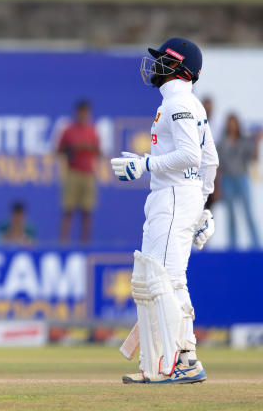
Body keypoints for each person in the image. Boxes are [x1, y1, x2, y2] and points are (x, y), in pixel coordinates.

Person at [110, 37, 219, 384]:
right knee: (171, 280)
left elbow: (191, 156)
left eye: (162, 60)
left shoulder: (179, 104)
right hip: (178, 197)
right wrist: (201, 207)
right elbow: (210, 161)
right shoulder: (187, 104)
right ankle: (185, 359)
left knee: (161, 282)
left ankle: (167, 365)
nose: (155, 66)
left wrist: (145, 164)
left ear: (179, 66)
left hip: (172, 196)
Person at [57, 99, 101, 244]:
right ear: (77, 113)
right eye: (81, 112)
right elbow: (59, 151)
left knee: (87, 211)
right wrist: (74, 148)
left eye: (86, 112)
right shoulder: (69, 131)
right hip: (72, 173)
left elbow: (100, 153)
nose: (83, 114)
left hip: (88, 174)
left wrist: (88, 148)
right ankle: (64, 243)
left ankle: (85, 244)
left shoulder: (92, 131)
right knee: (68, 209)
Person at [216, 113, 261, 248]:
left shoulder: (244, 141)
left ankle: (256, 245)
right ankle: (232, 246)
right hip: (227, 179)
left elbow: (253, 159)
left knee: (248, 212)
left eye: (234, 123)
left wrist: (257, 143)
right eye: (230, 123)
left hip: (242, 178)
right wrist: (217, 187)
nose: (232, 126)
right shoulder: (222, 143)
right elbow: (218, 166)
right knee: (231, 215)